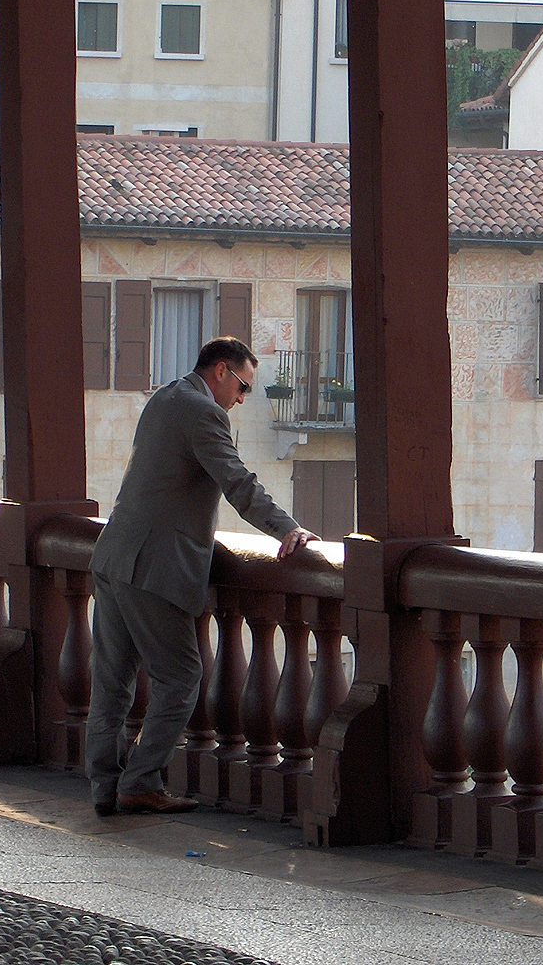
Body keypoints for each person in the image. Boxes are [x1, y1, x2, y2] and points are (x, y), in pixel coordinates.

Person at [86, 336, 317, 816]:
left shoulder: (165, 397)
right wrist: (286, 527)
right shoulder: (204, 412)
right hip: (155, 566)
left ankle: (103, 788)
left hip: (113, 557)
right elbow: (236, 481)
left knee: (112, 684)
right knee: (181, 676)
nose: (241, 399)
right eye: (243, 388)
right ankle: (140, 782)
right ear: (220, 371)